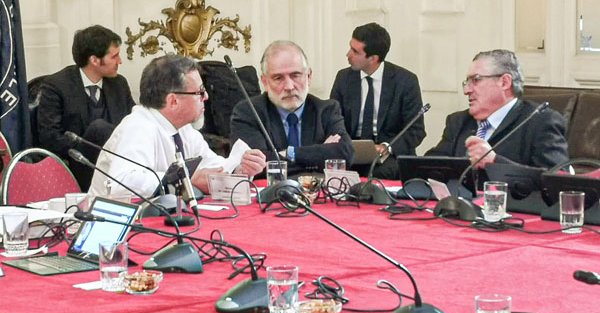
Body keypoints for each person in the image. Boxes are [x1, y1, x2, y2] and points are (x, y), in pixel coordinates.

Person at [88, 54, 266, 198]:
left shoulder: (183, 129)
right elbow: (123, 182)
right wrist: (184, 179)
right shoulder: (138, 126)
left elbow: (211, 165)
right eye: (200, 92)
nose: (206, 98)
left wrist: (239, 168)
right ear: (173, 100)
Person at [426, 49, 568, 170]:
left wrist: (495, 162)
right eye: (467, 82)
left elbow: (554, 181)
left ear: (504, 82)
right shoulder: (459, 122)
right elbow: (430, 165)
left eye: (476, 80)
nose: (467, 90)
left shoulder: (540, 122)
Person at [230, 40, 353, 177]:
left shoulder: (327, 110)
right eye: (278, 78)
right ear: (265, 82)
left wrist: (288, 153)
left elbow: (344, 155)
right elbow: (258, 167)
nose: (289, 86)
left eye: (295, 75)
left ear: (309, 76)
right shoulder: (248, 112)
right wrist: (319, 153)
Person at [37, 25, 136, 190]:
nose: (120, 61)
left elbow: (132, 124)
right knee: (99, 129)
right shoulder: (56, 86)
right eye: (115, 56)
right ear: (95, 60)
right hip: (78, 167)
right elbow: (50, 138)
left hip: (119, 166)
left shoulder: (119, 84)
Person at [330, 22, 426, 179]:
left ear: (373, 58)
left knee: (379, 174)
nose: (348, 54)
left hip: (387, 155)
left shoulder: (405, 81)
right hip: (351, 150)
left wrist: (386, 147)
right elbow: (332, 119)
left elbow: (415, 130)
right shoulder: (343, 78)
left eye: (355, 51)